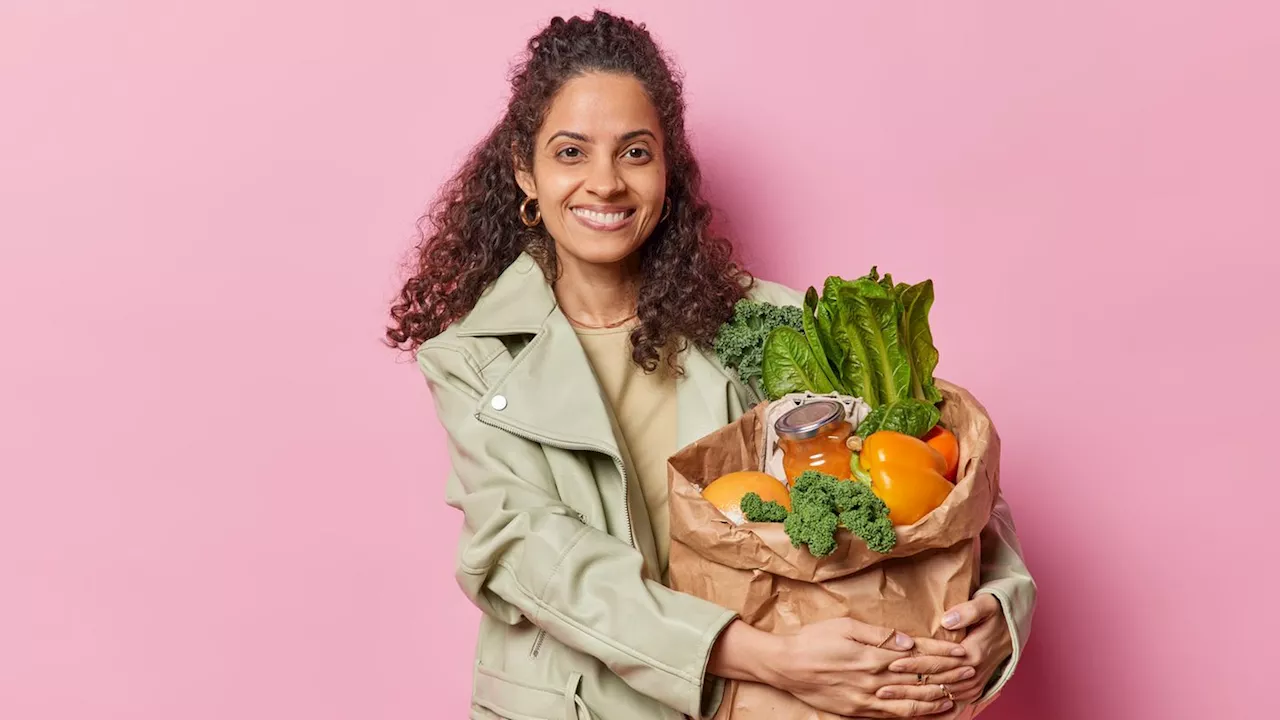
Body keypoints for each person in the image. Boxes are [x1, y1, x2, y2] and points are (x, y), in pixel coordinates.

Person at [387, 11, 1035, 720]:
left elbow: (935, 475)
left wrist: (999, 612)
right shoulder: (474, 360)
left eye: (635, 152)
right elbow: (540, 560)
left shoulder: (771, 325)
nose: (604, 183)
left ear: (668, 170)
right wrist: (771, 658)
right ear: (525, 170)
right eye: (571, 152)